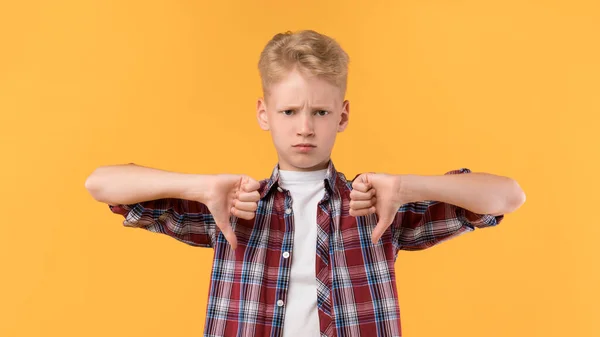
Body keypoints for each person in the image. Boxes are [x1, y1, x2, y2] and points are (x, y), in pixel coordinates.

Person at [85, 29, 525, 337]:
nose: (305, 129)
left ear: (343, 116)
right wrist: (199, 188)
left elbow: (507, 196)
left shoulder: (375, 204)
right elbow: (102, 184)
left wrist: (408, 187)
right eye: (289, 112)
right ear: (264, 114)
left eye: (320, 112)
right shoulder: (233, 205)